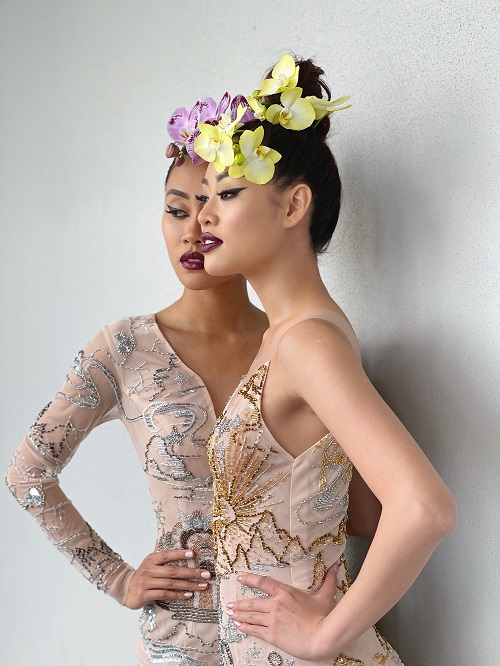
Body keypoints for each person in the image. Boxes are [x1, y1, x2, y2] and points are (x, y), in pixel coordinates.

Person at [6, 90, 380, 665]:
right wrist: (117, 578)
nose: (196, 227)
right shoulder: (125, 348)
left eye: (218, 201)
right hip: (179, 645)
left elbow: (363, 512)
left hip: (292, 643)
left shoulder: (296, 345)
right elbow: (28, 473)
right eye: (177, 210)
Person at [195, 55, 457, 665]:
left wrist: (323, 635)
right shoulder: (290, 336)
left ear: (293, 207)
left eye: (227, 194)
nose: (205, 215)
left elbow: (424, 507)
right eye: (205, 196)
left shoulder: (306, 342)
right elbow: (356, 509)